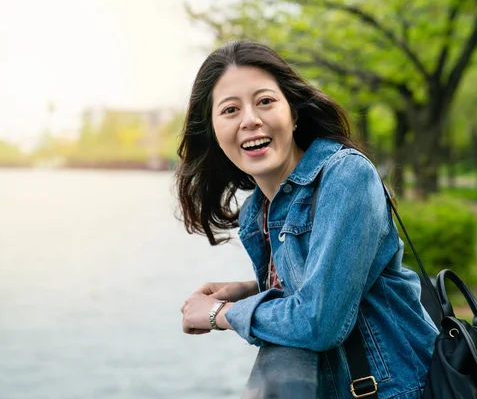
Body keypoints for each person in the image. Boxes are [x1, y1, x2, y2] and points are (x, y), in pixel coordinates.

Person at [178, 40, 438, 398]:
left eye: (265, 101)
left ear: (294, 113)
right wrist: (254, 288)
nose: (250, 120)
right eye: (230, 110)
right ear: (213, 131)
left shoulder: (345, 175)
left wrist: (221, 313)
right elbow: (324, 281)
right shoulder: (259, 208)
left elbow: (319, 322)